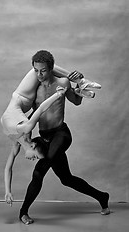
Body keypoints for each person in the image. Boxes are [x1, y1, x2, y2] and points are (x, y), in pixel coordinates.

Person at [18, 50, 110, 225]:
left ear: (51, 69)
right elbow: (32, 113)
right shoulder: (34, 88)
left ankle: (22, 213)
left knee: (43, 166)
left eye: (43, 70)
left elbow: (76, 101)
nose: (39, 75)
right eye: (36, 70)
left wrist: (78, 88)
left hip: (61, 134)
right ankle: (102, 197)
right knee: (66, 179)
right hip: (44, 137)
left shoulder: (63, 81)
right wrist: (25, 134)